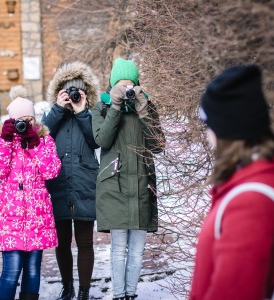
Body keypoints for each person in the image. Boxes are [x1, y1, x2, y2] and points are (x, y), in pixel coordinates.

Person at [190, 65, 274, 300]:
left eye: (210, 126)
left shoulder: (250, 202)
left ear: (227, 130)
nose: (208, 137)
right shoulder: (249, 183)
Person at [92, 57, 166, 300]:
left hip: (142, 184)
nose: (126, 91)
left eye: (130, 85)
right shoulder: (101, 107)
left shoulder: (146, 105)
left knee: (137, 250)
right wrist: (114, 108)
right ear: (112, 85)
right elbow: (102, 140)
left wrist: (144, 111)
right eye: (121, 86)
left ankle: (131, 295)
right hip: (115, 185)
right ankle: (118, 295)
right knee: (118, 250)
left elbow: (158, 145)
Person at [0, 85, 61, 300]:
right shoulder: (1, 141)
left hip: (37, 218)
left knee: (32, 270)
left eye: (31, 119)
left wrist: (35, 145)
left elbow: (52, 171)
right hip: (11, 219)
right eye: (22, 120)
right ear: (11, 121)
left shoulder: (44, 141)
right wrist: (5, 141)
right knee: (11, 272)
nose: (27, 124)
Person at [42, 61, 100, 300]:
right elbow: (41, 136)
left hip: (85, 181)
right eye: (68, 91)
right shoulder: (53, 115)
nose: (73, 96)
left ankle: (84, 291)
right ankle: (68, 287)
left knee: (85, 241)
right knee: (62, 241)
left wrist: (81, 110)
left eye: (78, 91)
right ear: (59, 93)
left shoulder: (90, 113)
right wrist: (58, 108)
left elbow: (96, 140)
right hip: (59, 183)